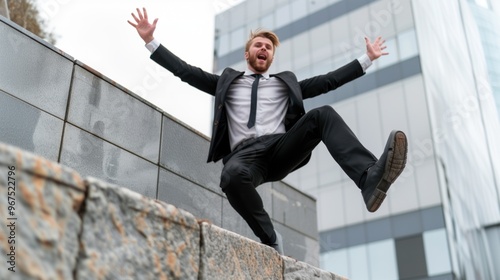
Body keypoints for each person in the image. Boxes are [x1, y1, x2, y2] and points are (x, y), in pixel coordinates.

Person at [128, 8, 408, 255]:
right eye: (258, 45)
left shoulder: (287, 84)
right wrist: (151, 41)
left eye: (268, 47)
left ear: (272, 56)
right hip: (246, 157)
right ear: (247, 52)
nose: (263, 49)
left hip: (280, 147)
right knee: (230, 176)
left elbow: (327, 81)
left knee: (322, 114)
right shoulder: (227, 81)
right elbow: (187, 72)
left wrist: (366, 59)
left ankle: (368, 178)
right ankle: (270, 238)